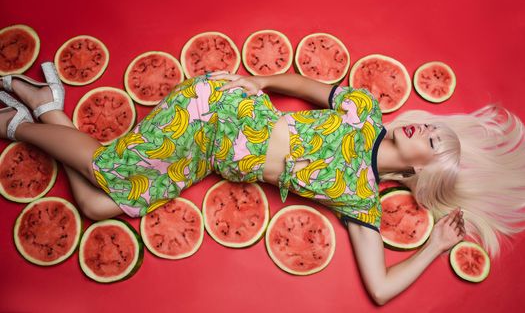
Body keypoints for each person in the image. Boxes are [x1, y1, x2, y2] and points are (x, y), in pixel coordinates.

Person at [1, 63, 524, 305]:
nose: (426, 128)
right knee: (111, 175)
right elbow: (309, 86)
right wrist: (262, 82)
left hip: (212, 155)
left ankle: (45, 103)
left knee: (95, 205)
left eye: (432, 142)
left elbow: (382, 290)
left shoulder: (361, 194)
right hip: (213, 114)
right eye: (435, 126)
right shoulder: (364, 110)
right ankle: (13, 124)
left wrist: (434, 245)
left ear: (418, 173)